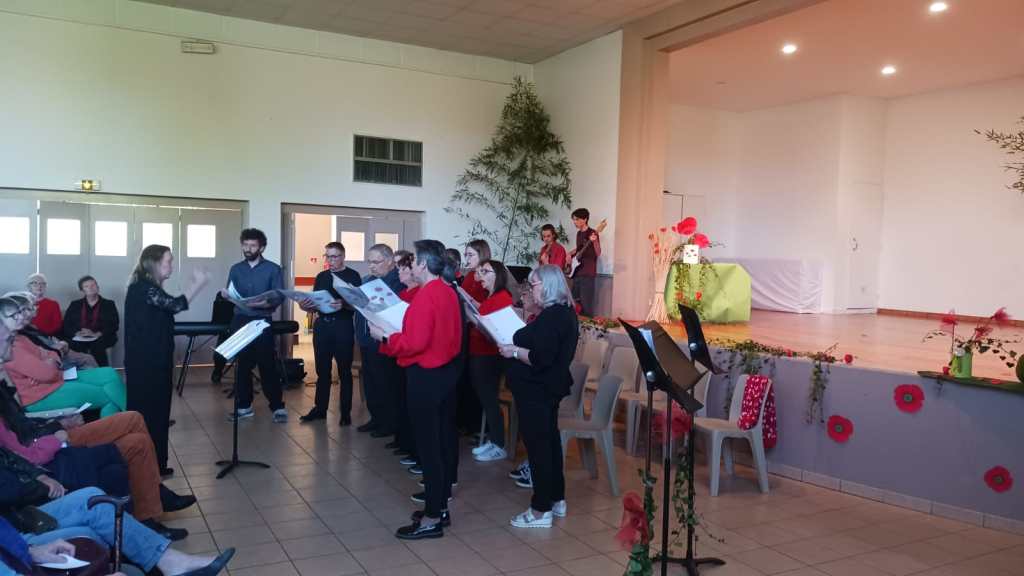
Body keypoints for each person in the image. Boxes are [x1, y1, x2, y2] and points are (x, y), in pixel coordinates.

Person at [371, 241, 461, 540]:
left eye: (413, 262)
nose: (409, 267)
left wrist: (384, 338)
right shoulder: (447, 291)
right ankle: (439, 508)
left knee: (429, 449)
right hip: (445, 374)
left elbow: (414, 343)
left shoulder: (428, 295)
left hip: (427, 377)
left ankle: (432, 517)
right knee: (439, 443)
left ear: (423, 265)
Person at [0, 485, 233, 576]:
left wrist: (29, 550)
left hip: (13, 528)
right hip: (14, 536)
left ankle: (168, 560)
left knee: (96, 499)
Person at [499, 265, 578, 528]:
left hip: (539, 388)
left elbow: (540, 358)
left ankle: (540, 509)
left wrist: (512, 351)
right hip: (545, 388)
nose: (530, 290)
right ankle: (556, 498)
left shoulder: (554, 316)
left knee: (539, 449)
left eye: (533, 284)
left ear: (548, 285)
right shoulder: (560, 313)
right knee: (549, 444)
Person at [124, 245, 209, 477]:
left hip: (154, 361)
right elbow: (175, 305)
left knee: (159, 416)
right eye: (168, 261)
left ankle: (157, 465)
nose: (171, 265)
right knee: (150, 417)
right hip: (146, 364)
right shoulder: (143, 289)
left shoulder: (148, 288)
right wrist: (197, 284)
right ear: (154, 263)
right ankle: (148, 467)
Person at [222, 229, 286, 423]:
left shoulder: (273, 269)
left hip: (262, 321)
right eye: (245, 245)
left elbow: (279, 296)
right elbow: (232, 292)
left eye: (253, 245)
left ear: (262, 247)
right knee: (242, 366)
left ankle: (277, 407)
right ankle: (244, 406)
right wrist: (227, 296)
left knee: (267, 365)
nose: (248, 249)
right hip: (240, 319)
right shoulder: (235, 269)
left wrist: (263, 304)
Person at [298, 242, 361, 425]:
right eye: (327, 256)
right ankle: (320, 409)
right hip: (322, 326)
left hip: (342, 326)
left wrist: (344, 304)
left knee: (344, 371)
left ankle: (345, 413)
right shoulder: (321, 276)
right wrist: (306, 305)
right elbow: (316, 301)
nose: (330, 260)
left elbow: (358, 304)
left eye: (334, 256)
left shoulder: (352, 276)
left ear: (343, 257)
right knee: (322, 371)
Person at [4, 329, 126, 417]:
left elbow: (50, 353)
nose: (23, 314)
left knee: (109, 373)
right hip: (38, 396)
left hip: (53, 380)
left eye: (24, 309)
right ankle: (131, 425)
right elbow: (47, 372)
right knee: (110, 396)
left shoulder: (20, 336)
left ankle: (133, 423)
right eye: (16, 313)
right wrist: (46, 362)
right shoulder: (6, 346)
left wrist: (48, 361)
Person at [353, 244, 404, 435]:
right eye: (369, 262)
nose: (372, 266)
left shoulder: (399, 282)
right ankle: (376, 418)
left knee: (386, 384)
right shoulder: (367, 280)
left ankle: (389, 423)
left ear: (390, 261)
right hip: (366, 338)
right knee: (371, 383)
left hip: (384, 339)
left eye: (376, 262)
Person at [466, 260, 513, 463]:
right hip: (480, 353)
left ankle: (499, 444)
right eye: (479, 271)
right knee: (486, 400)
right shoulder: (490, 296)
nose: (480, 275)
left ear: (498, 275)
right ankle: (494, 440)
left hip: (489, 356)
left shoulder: (502, 297)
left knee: (490, 400)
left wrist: (472, 317)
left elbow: (495, 330)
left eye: (485, 271)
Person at [1, 294, 97, 370]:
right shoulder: (17, 335)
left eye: (33, 307)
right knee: (88, 362)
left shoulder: (28, 327)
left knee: (89, 358)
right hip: (53, 360)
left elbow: (50, 333)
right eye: (28, 308)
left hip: (54, 352)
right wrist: (58, 350)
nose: (34, 309)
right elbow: (41, 355)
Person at [391, 252, 419, 470]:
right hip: (398, 349)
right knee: (399, 397)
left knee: (412, 404)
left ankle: (413, 446)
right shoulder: (402, 292)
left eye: (403, 269)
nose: (399, 272)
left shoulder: (420, 293)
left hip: (410, 350)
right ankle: (403, 440)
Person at [62, 276, 119, 367]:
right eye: (87, 286)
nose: (91, 288)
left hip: (102, 336)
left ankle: (101, 372)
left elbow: (114, 325)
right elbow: (66, 324)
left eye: (93, 285)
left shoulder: (109, 304)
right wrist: (76, 333)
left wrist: (97, 334)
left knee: (97, 345)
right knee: (75, 345)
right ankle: (80, 373)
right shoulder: (75, 304)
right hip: (79, 336)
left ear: (98, 287)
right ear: (82, 290)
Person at [568, 208, 601, 316]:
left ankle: (588, 330)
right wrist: (569, 254)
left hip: (588, 273)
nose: (575, 222)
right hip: (577, 272)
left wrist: (595, 241)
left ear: (585, 219)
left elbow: (598, 252)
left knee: (586, 304)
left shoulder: (592, 233)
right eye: (574, 219)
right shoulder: (578, 234)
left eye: (577, 219)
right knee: (574, 302)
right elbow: (579, 249)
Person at [208, 293, 236, 384]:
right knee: (220, 351)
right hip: (225, 330)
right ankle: (218, 370)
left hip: (245, 328)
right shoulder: (223, 295)